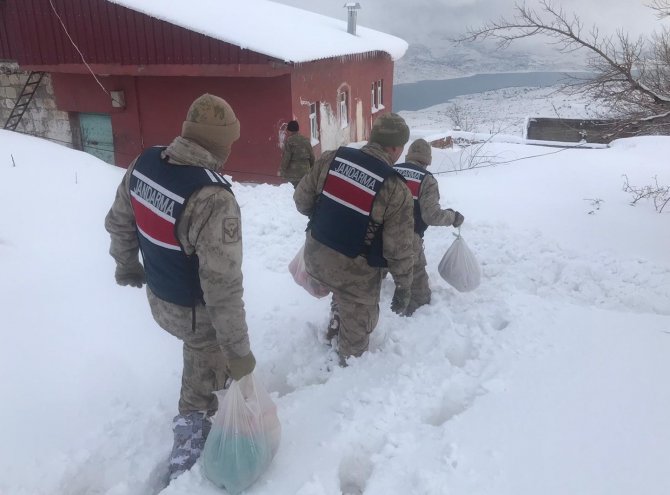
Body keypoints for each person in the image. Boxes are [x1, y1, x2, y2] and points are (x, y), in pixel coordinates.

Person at [104, 94, 256, 481]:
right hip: (193, 315)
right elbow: (222, 289)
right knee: (205, 369)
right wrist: (239, 356)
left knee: (203, 353)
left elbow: (119, 222)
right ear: (220, 142)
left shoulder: (145, 163)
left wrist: (127, 267)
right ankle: (188, 455)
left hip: (158, 297)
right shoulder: (213, 198)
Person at [293, 112, 415, 365]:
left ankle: (336, 318)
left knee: (343, 283)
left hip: (315, 258)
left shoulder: (332, 158)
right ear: (395, 147)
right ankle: (346, 370)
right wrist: (404, 285)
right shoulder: (395, 189)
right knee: (358, 329)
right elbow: (398, 248)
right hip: (354, 274)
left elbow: (302, 202)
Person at [394, 138, 465, 315]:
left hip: (380, 234)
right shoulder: (427, 180)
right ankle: (413, 313)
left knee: (377, 268)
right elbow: (431, 215)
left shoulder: (391, 171)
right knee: (418, 285)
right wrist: (453, 217)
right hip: (408, 239)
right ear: (427, 161)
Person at [279, 120, 315, 187]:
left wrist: (282, 170)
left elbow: (286, 158)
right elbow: (312, 157)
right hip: (305, 173)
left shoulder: (289, 141)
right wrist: (312, 169)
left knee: (293, 193)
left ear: (289, 130)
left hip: (293, 174)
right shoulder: (306, 140)